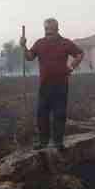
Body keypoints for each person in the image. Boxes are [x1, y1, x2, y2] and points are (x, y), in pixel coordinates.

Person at [20, 18, 84, 151]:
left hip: (61, 85)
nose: (48, 32)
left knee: (59, 114)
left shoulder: (66, 43)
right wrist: (23, 46)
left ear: (57, 29)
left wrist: (71, 67)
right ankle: (43, 142)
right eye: (46, 29)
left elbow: (79, 54)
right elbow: (29, 57)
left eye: (50, 30)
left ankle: (58, 142)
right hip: (45, 85)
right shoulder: (40, 43)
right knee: (42, 114)